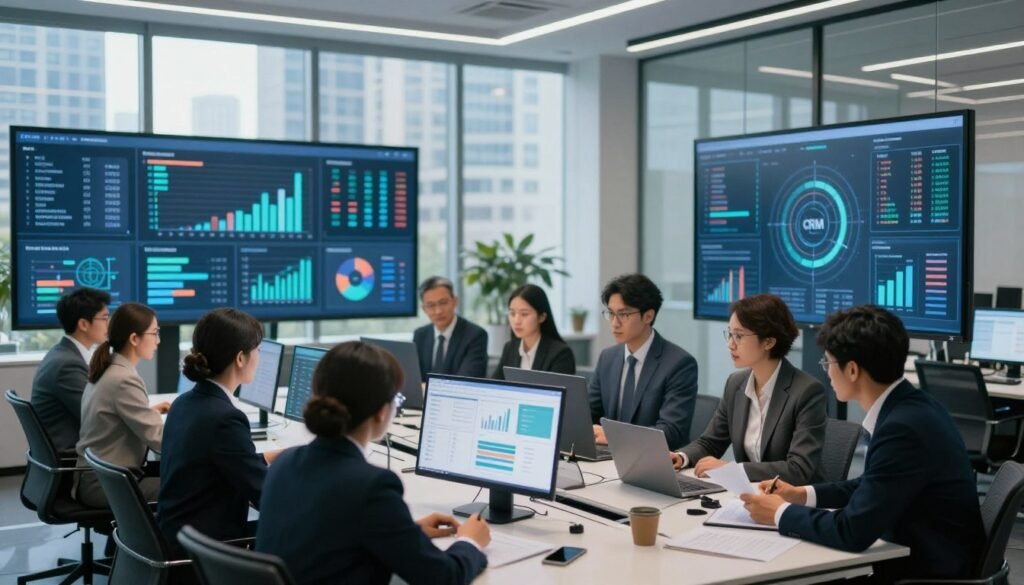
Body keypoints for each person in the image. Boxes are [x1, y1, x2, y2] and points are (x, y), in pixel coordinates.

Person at [740, 306, 984, 582]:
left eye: (828, 363)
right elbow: (872, 484)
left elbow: (852, 532)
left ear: (852, 370)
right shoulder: (912, 407)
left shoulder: (902, 428)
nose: (827, 374)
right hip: (918, 556)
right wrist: (801, 495)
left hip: (925, 572)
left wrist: (779, 513)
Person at [256, 341, 490, 585]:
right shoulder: (371, 486)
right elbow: (443, 577)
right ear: (381, 411)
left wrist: (406, 532)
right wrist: (470, 542)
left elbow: (328, 536)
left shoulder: (284, 464)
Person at [158, 308, 283, 554]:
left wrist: (269, 457)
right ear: (240, 358)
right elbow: (264, 496)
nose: (259, 357)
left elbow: (220, 466)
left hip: (177, 533)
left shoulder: (184, 402)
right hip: (206, 546)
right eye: (257, 350)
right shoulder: (225, 418)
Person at [671, 294, 826, 484]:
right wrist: (681, 457)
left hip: (790, 501)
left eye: (739, 336)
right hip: (749, 496)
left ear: (769, 342)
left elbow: (798, 469)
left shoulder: (807, 391)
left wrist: (734, 470)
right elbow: (710, 442)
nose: (730, 344)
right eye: (730, 334)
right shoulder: (736, 384)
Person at [588, 273, 697, 450]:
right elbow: (588, 414)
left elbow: (671, 431)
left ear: (648, 316)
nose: (615, 323)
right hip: (607, 459)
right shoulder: (607, 358)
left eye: (623, 314)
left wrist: (615, 437)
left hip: (654, 463)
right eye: (611, 313)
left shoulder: (679, 364)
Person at [75, 303, 167, 508]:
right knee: (193, 487)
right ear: (134, 339)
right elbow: (160, 440)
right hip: (107, 486)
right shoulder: (124, 379)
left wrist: (148, 412)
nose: (158, 341)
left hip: (98, 478)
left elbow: (112, 418)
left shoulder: (109, 369)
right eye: (155, 333)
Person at [31, 288, 111, 455]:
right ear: (83, 324)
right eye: (104, 318)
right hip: (71, 453)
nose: (108, 323)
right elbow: (95, 417)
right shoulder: (67, 365)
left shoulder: (64, 354)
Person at [492, 284, 575, 379]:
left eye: (524, 314)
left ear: (542, 317)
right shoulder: (510, 348)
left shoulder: (560, 354)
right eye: (512, 313)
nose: (516, 321)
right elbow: (494, 385)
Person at [413, 276, 488, 379]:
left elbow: (467, 380)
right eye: (431, 305)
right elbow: (414, 378)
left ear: (455, 301)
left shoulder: (475, 335)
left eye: (443, 303)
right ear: (424, 309)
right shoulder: (420, 335)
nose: (438, 311)